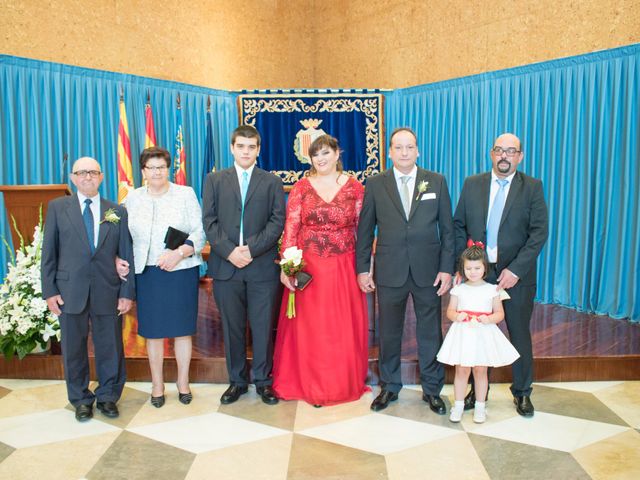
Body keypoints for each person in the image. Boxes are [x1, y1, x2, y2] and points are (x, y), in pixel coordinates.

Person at [356, 127, 455, 414]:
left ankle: (433, 389)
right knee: (388, 331)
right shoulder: (375, 184)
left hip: (428, 270)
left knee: (430, 332)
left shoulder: (435, 181)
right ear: (389, 151)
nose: (404, 153)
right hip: (390, 270)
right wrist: (364, 269)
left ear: (418, 151)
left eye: (409, 147)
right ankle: (389, 386)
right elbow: (365, 231)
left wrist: (446, 268)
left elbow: (447, 230)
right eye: (398, 147)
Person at [453, 132, 548, 417]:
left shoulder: (532, 187)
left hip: (516, 276)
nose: (504, 155)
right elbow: (459, 226)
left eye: (511, 151)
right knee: (476, 333)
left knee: (518, 333)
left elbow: (539, 233)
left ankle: (522, 392)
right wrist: (464, 267)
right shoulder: (472, 185)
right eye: (499, 150)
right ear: (491, 154)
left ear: (520, 156)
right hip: (477, 277)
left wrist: (516, 270)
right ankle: (477, 392)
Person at [273, 134, 370, 406]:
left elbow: (363, 229)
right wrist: (287, 266)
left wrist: (366, 266)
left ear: (338, 153)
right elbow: (291, 228)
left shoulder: (355, 188)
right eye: (316, 154)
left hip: (344, 266)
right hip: (309, 268)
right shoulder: (301, 187)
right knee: (310, 328)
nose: (321, 158)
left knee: (339, 327)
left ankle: (339, 383)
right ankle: (309, 383)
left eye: (326, 152)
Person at [41, 157, 135, 422]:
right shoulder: (58, 208)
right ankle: (80, 399)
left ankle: (107, 396)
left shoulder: (116, 211)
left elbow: (125, 253)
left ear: (101, 177)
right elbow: (49, 253)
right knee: (73, 349)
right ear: (73, 177)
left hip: (108, 289)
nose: (87, 177)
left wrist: (126, 292)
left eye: (93, 172)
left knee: (111, 347)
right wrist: (49, 291)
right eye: (81, 173)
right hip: (69, 291)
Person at [202, 125, 285, 405]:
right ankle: (236, 381)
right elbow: (209, 222)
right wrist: (229, 252)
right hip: (226, 267)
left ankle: (263, 381)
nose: (246, 151)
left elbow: (277, 222)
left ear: (259, 150)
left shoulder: (272, 182)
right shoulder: (214, 180)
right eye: (241, 146)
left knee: (262, 327)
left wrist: (250, 249)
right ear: (232, 148)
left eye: (251, 147)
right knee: (232, 327)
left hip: (261, 266)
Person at [119, 146, 205, 408]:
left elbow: (200, 232)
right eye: (151, 167)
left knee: (182, 331)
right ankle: (157, 385)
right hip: (147, 273)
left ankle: (183, 382)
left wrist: (178, 253)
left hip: (180, 271)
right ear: (143, 171)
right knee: (153, 332)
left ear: (169, 169)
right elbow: (119, 235)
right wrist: (117, 259)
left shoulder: (185, 194)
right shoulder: (131, 199)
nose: (157, 172)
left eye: (161, 167)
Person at [437, 243, 519, 423]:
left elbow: (499, 313)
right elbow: (450, 312)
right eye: (468, 268)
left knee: (481, 370)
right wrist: (458, 316)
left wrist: (489, 319)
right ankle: (458, 406)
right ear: (462, 269)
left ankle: (480, 407)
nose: (472, 272)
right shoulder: (458, 289)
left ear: (485, 268)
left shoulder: (492, 290)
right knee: (462, 369)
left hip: (483, 334)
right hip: (464, 333)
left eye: (477, 268)